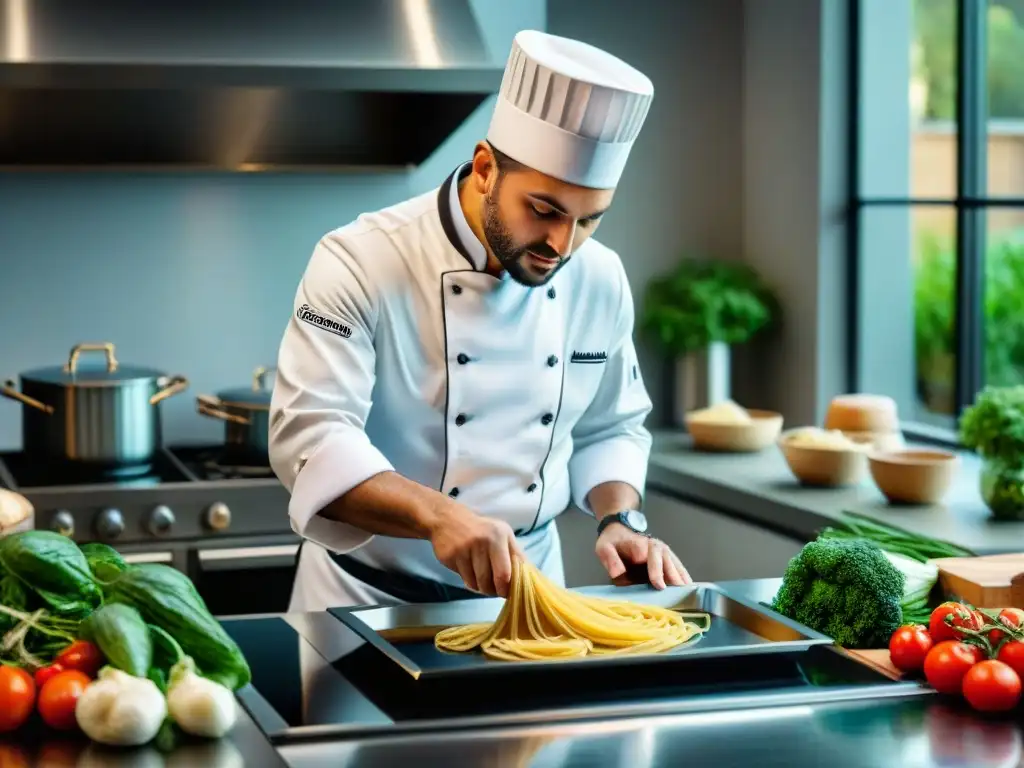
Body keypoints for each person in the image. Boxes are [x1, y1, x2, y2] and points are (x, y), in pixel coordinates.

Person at [269, 29, 691, 612]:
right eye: (544, 210)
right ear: (486, 167)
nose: (562, 245)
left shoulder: (599, 276)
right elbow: (311, 438)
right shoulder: (361, 259)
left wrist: (618, 518)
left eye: (590, 220)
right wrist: (439, 515)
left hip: (531, 600)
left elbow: (610, 426)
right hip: (364, 602)